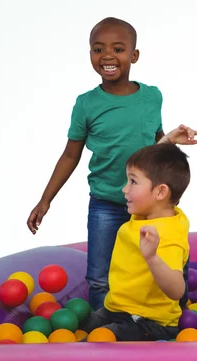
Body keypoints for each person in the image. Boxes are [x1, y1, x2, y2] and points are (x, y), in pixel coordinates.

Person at [25, 17, 197, 310]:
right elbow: (71, 154)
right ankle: (101, 330)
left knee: (169, 260)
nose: (107, 55)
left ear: (134, 55)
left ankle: (175, 317)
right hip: (107, 202)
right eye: (98, 49)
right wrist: (46, 200)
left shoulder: (151, 97)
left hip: (152, 206)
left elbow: (153, 148)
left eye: (118, 49)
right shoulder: (86, 104)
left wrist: (170, 139)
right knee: (99, 275)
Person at [79, 142, 191, 341]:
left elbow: (177, 289)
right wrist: (168, 143)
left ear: (160, 192)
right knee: (78, 325)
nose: (124, 189)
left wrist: (152, 257)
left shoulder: (168, 234)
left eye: (132, 182)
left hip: (148, 321)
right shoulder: (146, 214)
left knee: (96, 341)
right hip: (116, 308)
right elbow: (153, 169)